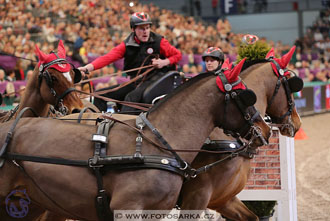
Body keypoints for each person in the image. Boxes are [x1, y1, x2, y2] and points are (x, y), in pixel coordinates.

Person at [79, 12, 182, 112]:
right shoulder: (127, 45)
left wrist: (164, 62)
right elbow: (107, 58)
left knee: (130, 98)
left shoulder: (159, 42)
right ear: (133, 29)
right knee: (99, 95)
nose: (145, 31)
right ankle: (99, 124)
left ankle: (123, 128)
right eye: (141, 28)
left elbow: (178, 55)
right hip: (136, 81)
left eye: (147, 28)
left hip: (156, 80)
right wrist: (87, 68)